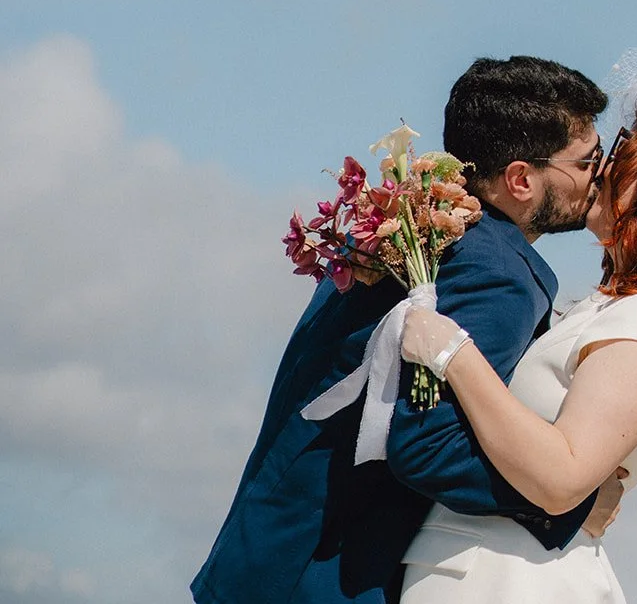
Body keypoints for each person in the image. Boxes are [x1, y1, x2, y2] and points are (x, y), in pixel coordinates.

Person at [191, 55, 608, 604]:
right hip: (327, 581)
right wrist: (566, 498)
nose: (600, 175)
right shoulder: (499, 275)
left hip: (261, 559)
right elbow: (428, 444)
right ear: (521, 179)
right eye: (587, 161)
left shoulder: (399, 230)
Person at [398, 58, 637, 603]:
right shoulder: (624, 307)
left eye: (621, 164)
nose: (601, 172)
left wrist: (452, 353)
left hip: (513, 580)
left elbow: (562, 475)